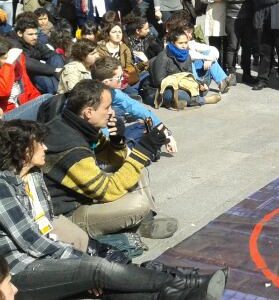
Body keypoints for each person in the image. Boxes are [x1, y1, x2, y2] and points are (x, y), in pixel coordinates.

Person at [0, 120, 227, 299]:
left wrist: (117, 139)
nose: (46, 147)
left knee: (103, 281)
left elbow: (46, 228)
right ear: (24, 152)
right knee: (98, 269)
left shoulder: (33, 175)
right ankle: (180, 282)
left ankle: (177, 294)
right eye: (39, 143)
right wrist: (80, 262)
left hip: (48, 250)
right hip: (20, 269)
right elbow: (34, 242)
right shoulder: (3, 188)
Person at [43, 80, 178, 238]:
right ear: (88, 112)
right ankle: (133, 227)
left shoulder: (74, 124)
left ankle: (145, 219)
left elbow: (117, 161)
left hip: (83, 195)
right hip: (67, 215)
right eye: (107, 108)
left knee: (133, 170)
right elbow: (108, 191)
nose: (112, 112)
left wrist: (117, 141)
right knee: (138, 204)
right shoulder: (71, 147)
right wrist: (144, 150)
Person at [92, 56, 178, 155]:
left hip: (108, 135)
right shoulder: (92, 101)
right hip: (95, 144)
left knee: (146, 125)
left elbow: (137, 108)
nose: (124, 78)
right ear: (106, 82)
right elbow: (101, 132)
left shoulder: (113, 92)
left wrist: (165, 133)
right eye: (119, 77)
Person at [148, 26, 222, 108]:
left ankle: (178, 102)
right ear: (173, 42)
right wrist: (180, 83)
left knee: (203, 90)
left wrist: (199, 84)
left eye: (185, 43)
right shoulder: (163, 57)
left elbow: (190, 75)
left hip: (183, 86)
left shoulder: (187, 56)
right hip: (165, 89)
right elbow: (158, 81)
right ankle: (204, 100)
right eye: (180, 43)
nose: (184, 46)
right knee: (182, 95)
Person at [222, 0, 258, 84]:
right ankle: (231, 74)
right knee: (232, 46)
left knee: (247, 47)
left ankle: (247, 74)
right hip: (233, 16)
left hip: (248, 17)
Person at [8, 15, 63, 95]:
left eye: (36, 34)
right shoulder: (13, 43)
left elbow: (49, 53)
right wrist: (54, 70)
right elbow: (27, 63)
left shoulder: (34, 40)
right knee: (45, 79)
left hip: (38, 68)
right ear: (20, 33)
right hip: (24, 74)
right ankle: (56, 94)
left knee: (56, 57)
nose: (34, 37)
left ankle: (61, 87)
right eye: (30, 34)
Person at [96, 22, 139, 92]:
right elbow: (102, 69)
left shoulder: (125, 48)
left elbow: (128, 66)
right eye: (114, 32)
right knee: (132, 92)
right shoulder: (100, 49)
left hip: (123, 78)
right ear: (108, 34)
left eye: (120, 32)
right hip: (108, 80)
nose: (118, 34)